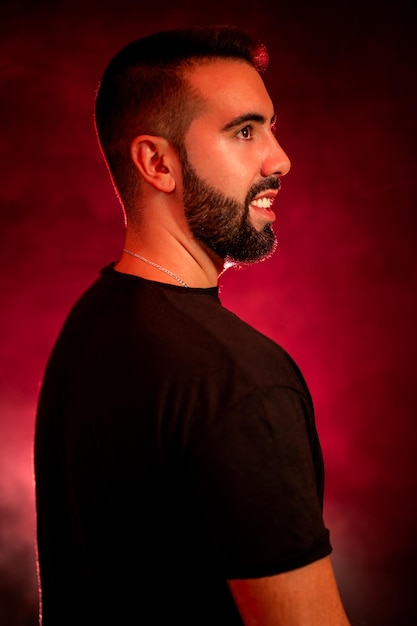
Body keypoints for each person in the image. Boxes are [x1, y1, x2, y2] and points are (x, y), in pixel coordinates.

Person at [34, 26, 351, 625]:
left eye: (270, 128)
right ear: (158, 162)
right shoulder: (239, 382)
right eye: (245, 131)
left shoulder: (89, 328)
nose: (280, 160)